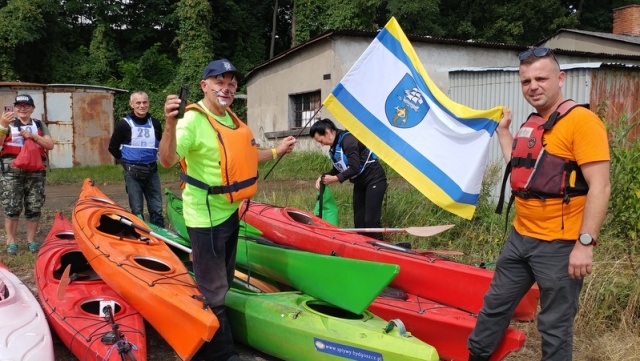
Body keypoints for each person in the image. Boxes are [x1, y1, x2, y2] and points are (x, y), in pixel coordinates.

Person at [467, 48, 611, 360]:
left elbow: (601, 186)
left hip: (560, 246)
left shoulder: (583, 123)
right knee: (494, 308)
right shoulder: (533, 123)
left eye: (541, 78)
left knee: (554, 326)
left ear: (560, 79)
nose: (533, 86)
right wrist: (503, 132)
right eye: (526, 80)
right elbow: (521, 170)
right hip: (521, 239)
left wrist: (585, 243)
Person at [159, 58, 295, 361]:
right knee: (214, 286)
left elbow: (243, 159)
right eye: (219, 82)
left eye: (231, 83)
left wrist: (277, 151)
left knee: (223, 276)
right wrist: (169, 124)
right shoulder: (192, 120)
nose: (226, 88)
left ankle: (215, 320)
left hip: (230, 212)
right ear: (204, 86)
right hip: (204, 216)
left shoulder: (233, 118)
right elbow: (167, 160)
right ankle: (220, 353)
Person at [309, 118, 387, 240]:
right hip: (360, 183)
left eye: (321, 140)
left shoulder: (348, 140)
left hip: (374, 179)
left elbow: (354, 167)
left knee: (370, 220)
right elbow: (339, 168)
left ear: (328, 132)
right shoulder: (334, 147)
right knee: (359, 222)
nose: (322, 144)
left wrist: (335, 179)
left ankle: (381, 251)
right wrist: (323, 176)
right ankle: (363, 249)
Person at [0, 94, 55, 255]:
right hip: (11, 172)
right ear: (15, 108)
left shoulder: (39, 124)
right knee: (12, 206)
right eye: (19, 105)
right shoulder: (6, 123)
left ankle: (31, 241)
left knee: (34, 206)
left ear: (32, 108)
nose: (22, 108)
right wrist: (3, 125)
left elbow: (50, 145)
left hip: (35, 172)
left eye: (26, 105)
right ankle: (11, 241)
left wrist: (33, 136)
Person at [108, 91, 165, 228]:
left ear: (148, 103)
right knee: (137, 210)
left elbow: (162, 145)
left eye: (144, 102)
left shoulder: (155, 124)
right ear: (131, 104)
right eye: (138, 102)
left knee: (157, 208)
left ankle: (160, 237)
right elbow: (113, 147)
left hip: (152, 171)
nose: (142, 105)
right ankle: (141, 236)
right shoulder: (124, 124)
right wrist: (126, 164)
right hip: (132, 173)